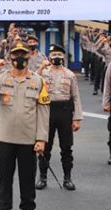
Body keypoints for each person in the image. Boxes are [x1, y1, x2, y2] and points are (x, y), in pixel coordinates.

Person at [0, 42, 50, 210]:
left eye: (23, 55)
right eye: (16, 55)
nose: (20, 59)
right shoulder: (2, 78)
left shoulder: (38, 81)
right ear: (10, 58)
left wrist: (42, 139)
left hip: (28, 140)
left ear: (29, 58)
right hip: (6, 139)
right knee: (4, 181)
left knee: (27, 182)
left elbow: (44, 111)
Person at [35, 44, 83, 191]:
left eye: (59, 54)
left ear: (63, 57)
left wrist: (77, 118)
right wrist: (41, 68)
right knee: (45, 146)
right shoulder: (43, 73)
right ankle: (42, 177)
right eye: (54, 54)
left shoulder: (70, 74)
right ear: (49, 57)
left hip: (65, 111)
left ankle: (67, 178)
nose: (56, 57)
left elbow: (76, 97)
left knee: (66, 147)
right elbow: (32, 83)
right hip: (47, 110)